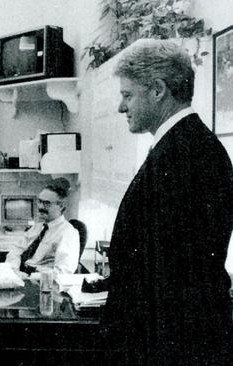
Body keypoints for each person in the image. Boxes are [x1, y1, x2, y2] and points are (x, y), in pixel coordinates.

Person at [102, 39, 233, 365]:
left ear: (158, 90)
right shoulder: (184, 145)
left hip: (170, 347)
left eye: (127, 95)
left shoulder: (184, 154)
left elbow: (170, 279)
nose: (121, 107)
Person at [5, 177, 79, 276]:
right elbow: (16, 250)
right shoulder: (39, 227)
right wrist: (13, 270)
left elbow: (62, 273)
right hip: (18, 275)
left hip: (38, 281)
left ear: (61, 206)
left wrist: (28, 276)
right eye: (39, 201)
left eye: (46, 203)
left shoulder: (68, 233)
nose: (40, 207)